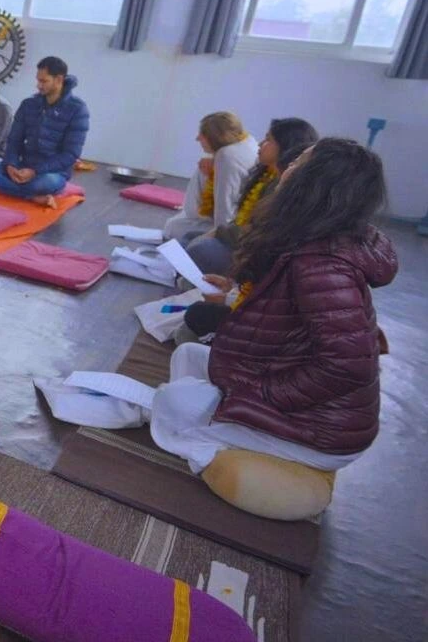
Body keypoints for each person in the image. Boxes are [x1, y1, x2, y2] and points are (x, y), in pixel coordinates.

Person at [150, 138, 397, 477]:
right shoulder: (316, 238)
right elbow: (281, 314)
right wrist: (234, 291)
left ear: (318, 184)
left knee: (171, 404)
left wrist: (256, 396)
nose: (290, 166)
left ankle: (230, 452)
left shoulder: (323, 264)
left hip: (322, 428)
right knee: (187, 356)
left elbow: (345, 368)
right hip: (294, 388)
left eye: (302, 162)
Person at [186, 117, 318, 275]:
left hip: (255, 254)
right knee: (187, 238)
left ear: (286, 147)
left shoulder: (289, 187)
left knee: (199, 249)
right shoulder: (265, 175)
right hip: (241, 240)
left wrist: (219, 232)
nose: (261, 144)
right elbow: (242, 218)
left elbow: (262, 233)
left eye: (268, 140)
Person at [0, 56, 89, 207]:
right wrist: (11, 164)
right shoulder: (29, 104)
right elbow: (14, 140)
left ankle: (26, 193)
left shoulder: (77, 109)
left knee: (44, 183)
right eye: (38, 80)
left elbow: (71, 155)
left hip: (51, 173)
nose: (38, 86)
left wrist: (35, 171)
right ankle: (33, 197)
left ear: (59, 79)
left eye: (44, 81)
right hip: (23, 166)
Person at [163, 112, 259, 244]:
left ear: (215, 138)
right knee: (204, 165)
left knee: (172, 227)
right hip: (235, 223)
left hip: (232, 232)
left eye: (202, 135)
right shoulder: (247, 142)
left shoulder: (227, 157)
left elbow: (224, 217)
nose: (197, 139)